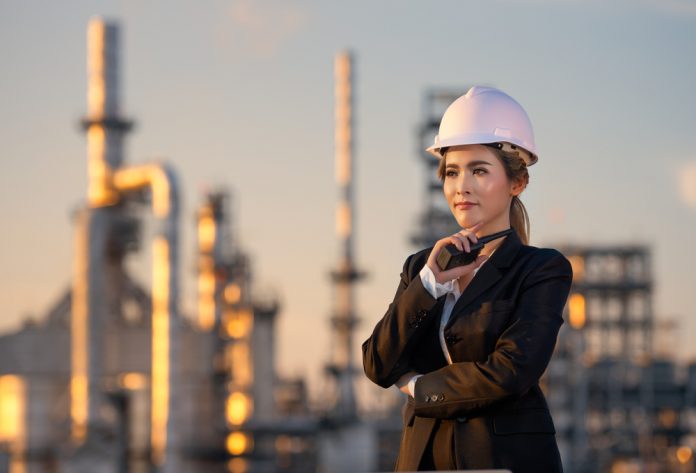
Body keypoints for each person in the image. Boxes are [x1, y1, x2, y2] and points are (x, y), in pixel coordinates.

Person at [362, 86, 573, 472]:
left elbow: (510, 372)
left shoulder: (541, 269)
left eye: (479, 170)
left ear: (517, 183)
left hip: (504, 462)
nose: (462, 186)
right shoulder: (419, 268)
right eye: (452, 172)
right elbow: (378, 363)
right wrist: (429, 285)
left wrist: (417, 388)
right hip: (423, 461)